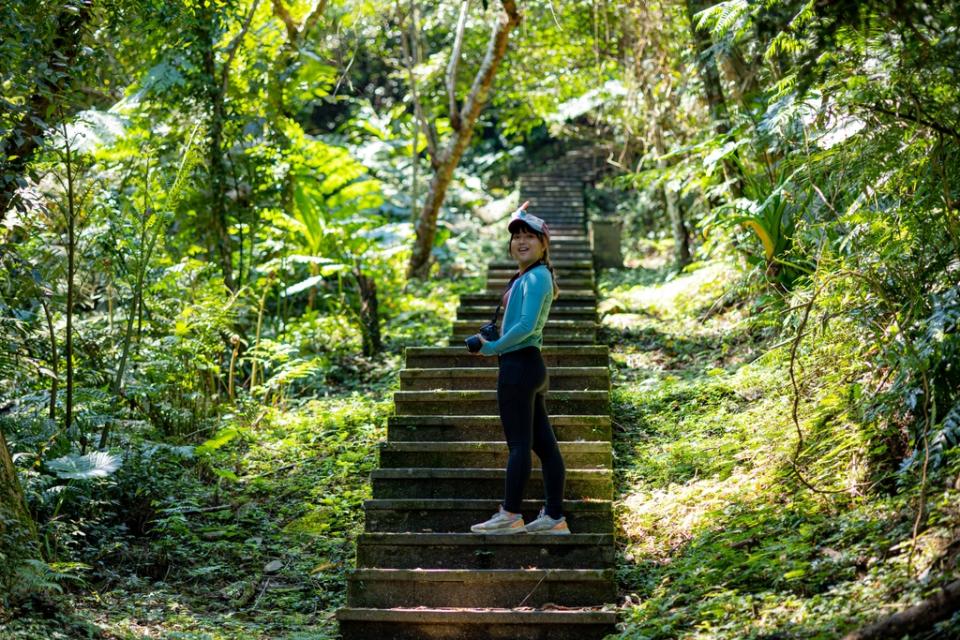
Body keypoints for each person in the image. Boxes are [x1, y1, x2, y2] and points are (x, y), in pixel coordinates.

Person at [469, 202, 569, 535]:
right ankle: (554, 517)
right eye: (517, 237)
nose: (521, 241)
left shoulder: (536, 276)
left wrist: (493, 348)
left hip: (519, 366)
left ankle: (511, 515)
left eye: (530, 236)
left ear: (544, 244)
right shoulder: (531, 276)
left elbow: (526, 324)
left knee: (519, 446)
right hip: (527, 365)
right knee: (544, 446)